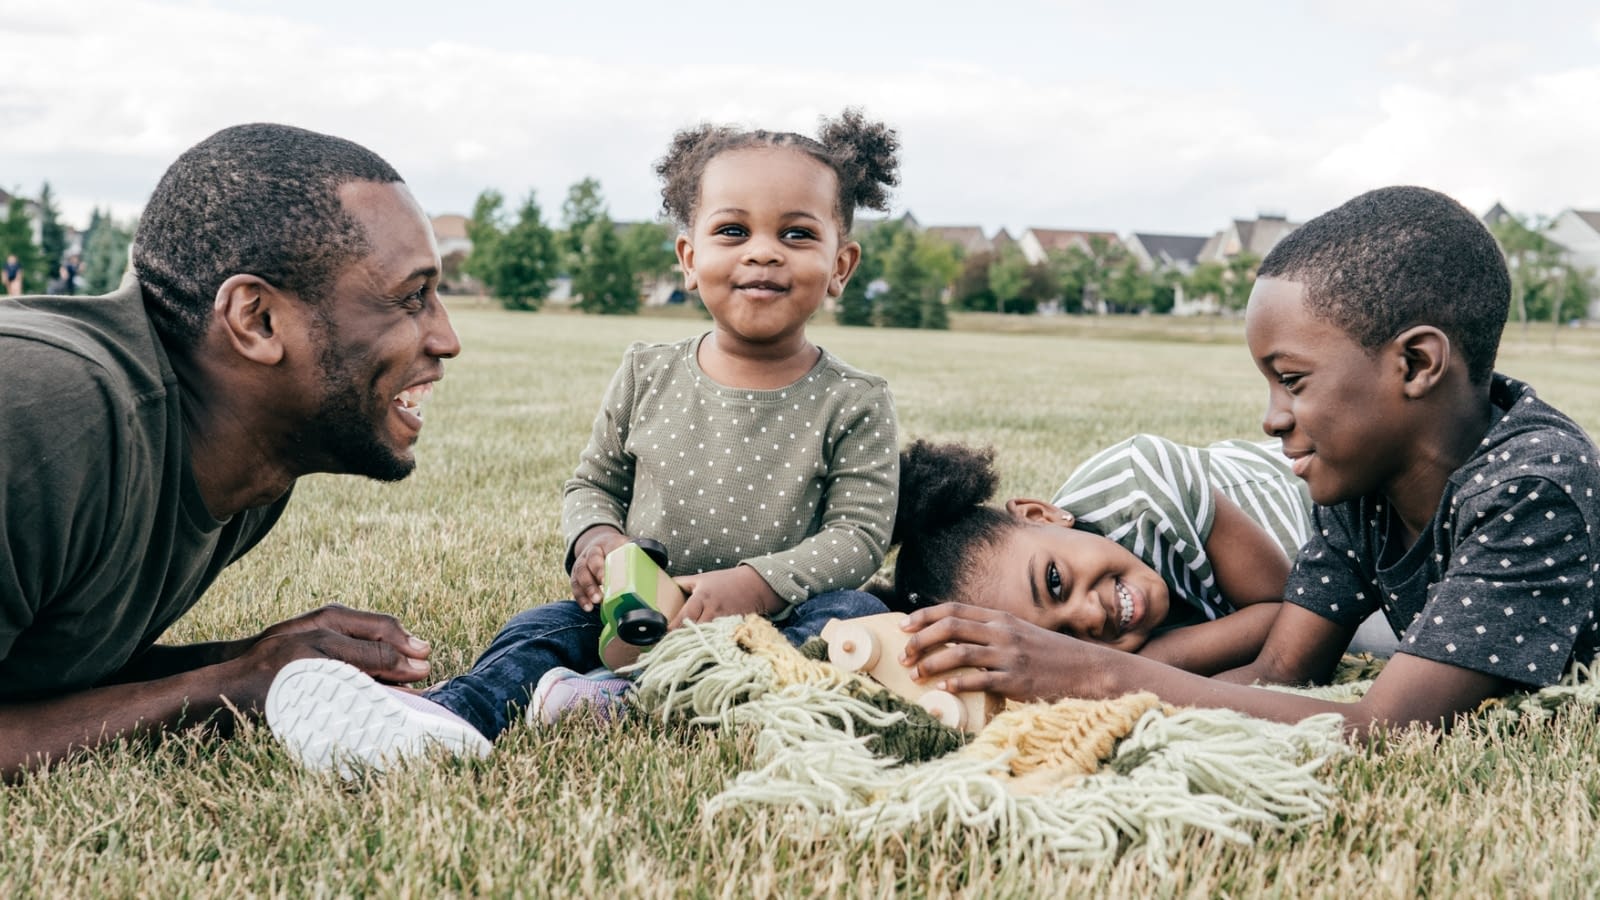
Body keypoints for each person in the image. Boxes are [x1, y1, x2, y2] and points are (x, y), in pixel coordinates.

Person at [266, 109, 903, 774]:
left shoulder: (853, 399)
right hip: (639, 619)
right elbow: (593, 484)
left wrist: (758, 584)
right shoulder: (647, 371)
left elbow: (858, 535)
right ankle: (445, 717)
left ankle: (665, 705)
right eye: (733, 230)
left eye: (797, 234)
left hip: (773, 624)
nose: (762, 251)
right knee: (537, 630)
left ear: (840, 265)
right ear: (690, 259)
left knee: (853, 615)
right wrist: (597, 540)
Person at [899, 186, 1600, 738]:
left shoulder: (1533, 487)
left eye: (1291, 380)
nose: (1271, 419)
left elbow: (1386, 726)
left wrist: (1097, 675)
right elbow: (1282, 669)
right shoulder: (1358, 487)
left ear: (1415, 363)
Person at [0, 123, 463, 778]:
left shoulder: (251, 463)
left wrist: (264, 660)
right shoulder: (48, 413)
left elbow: (38, 676)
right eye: (411, 297)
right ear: (258, 319)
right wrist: (229, 685)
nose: (446, 339)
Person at [889, 434, 1316, 675]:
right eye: (1061, 640)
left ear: (1043, 514)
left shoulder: (1141, 482)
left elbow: (1291, 611)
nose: (1090, 617)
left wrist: (1132, 667)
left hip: (1317, 492)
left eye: (1055, 582)